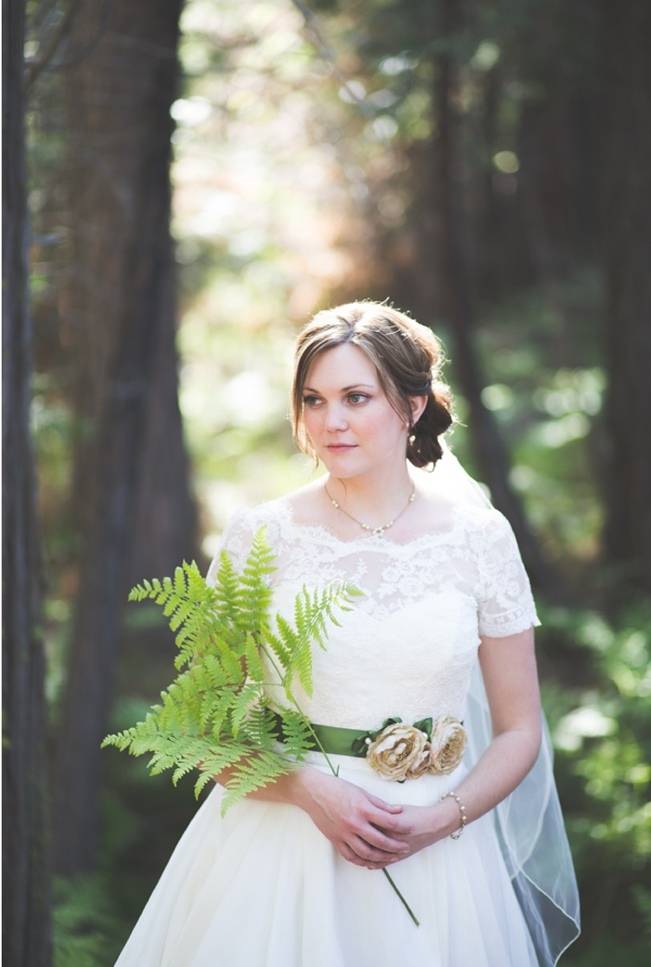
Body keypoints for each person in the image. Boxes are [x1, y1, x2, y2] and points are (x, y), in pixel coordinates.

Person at [114, 300, 580, 966]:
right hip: (276, 853)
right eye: (313, 399)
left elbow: (518, 731)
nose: (330, 421)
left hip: (436, 854)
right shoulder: (261, 536)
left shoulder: (479, 538)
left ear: (412, 405)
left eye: (355, 397)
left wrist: (440, 817)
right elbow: (199, 725)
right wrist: (306, 788)